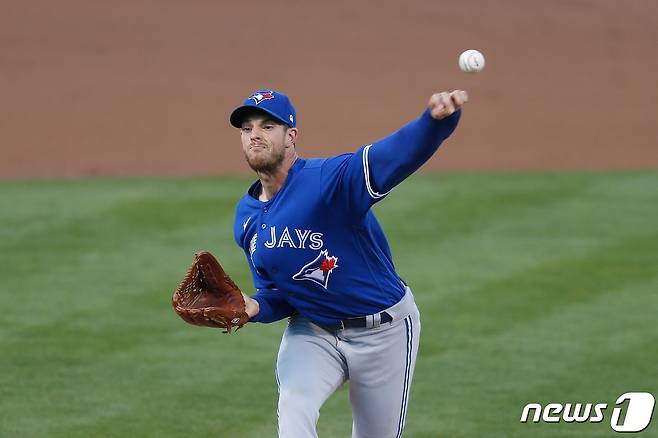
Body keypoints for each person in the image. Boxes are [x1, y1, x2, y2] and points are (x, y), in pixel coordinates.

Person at [230, 88, 467, 438]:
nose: (255, 135)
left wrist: (434, 122)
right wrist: (253, 306)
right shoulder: (246, 217)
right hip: (314, 331)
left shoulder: (330, 180)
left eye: (267, 126)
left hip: (384, 331)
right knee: (294, 408)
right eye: (247, 128)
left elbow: (393, 157)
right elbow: (279, 290)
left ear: (290, 136)